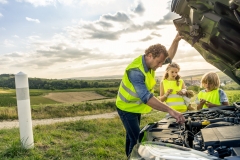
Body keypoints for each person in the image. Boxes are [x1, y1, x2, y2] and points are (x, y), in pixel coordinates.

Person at [116, 33, 185, 157]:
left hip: (135, 107)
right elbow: (146, 97)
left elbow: (168, 59)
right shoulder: (136, 71)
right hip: (126, 108)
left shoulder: (149, 63)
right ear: (150, 55)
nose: (160, 66)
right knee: (137, 139)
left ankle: (128, 156)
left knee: (131, 136)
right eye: (159, 62)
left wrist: (176, 41)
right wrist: (170, 110)